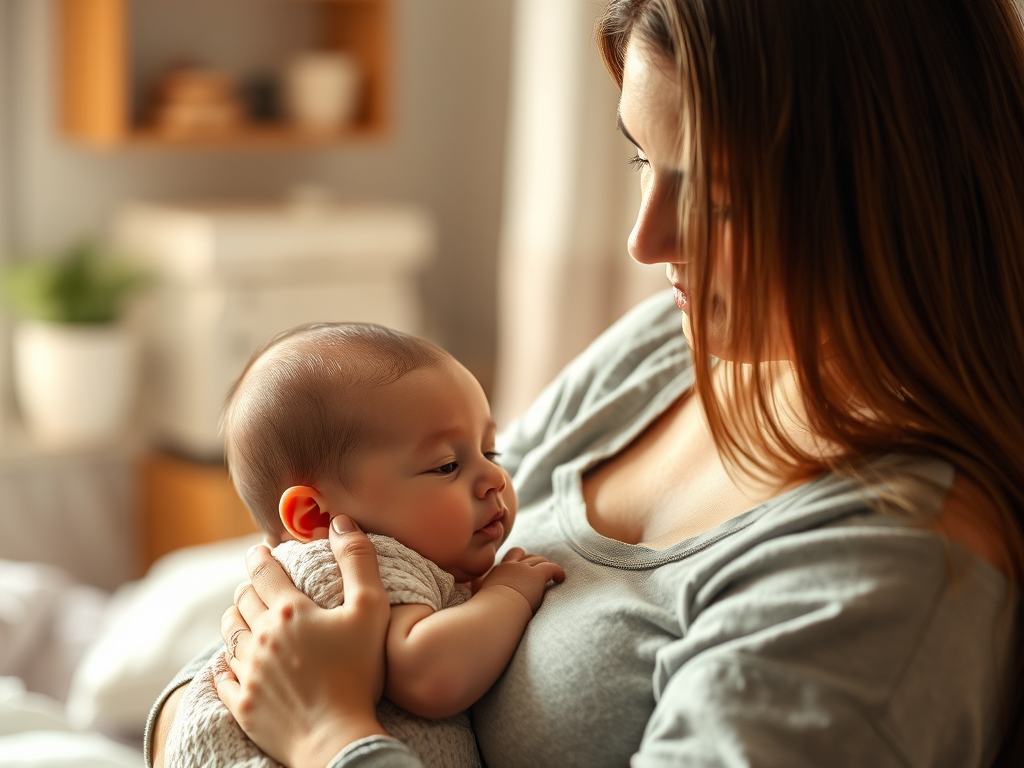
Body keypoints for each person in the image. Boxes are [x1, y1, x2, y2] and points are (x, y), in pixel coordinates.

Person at [147, 0, 1024, 766]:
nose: (647, 242)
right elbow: (265, 643)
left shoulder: (884, 570)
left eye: (720, 198)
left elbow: (301, 689)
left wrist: (328, 737)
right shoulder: (680, 343)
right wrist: (216, 708)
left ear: (894, 191)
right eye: (644, 160)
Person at [160, 323, 564, 768]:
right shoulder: (364, 559)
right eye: (447, 465)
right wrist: (508, 592)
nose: (495, 479)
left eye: (492, 453)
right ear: (316, 517)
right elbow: (431, 673)